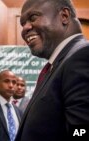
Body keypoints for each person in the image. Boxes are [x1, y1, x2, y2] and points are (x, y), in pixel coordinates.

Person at [15, 0, 89, 141]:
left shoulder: (82, 56)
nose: (25, 28)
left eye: (33, 18)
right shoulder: (58, 65)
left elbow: (81, 132)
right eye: (22, 24)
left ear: (64, 16)